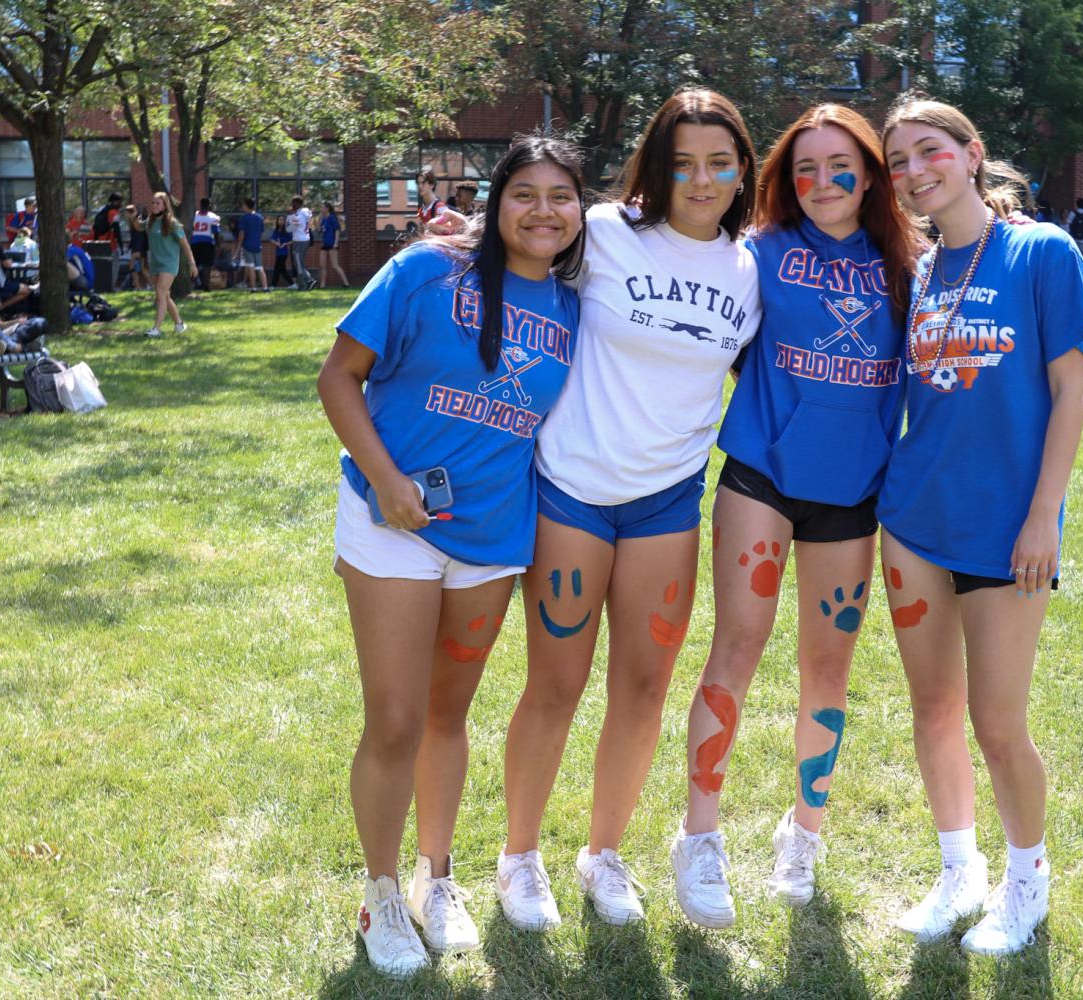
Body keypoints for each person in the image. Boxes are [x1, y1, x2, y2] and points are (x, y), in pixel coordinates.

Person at [315, 135, 586, 979]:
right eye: (525, 194)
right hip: (392, 522)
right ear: (497, 200)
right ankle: (381, 892)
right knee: (394, 720)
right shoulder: (425, 272)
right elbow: (338, 377)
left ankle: (438, 878)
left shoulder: (580, 306)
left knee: (445, 714)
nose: (543, 211)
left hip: (494, 538)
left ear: (581, 212)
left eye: (561, 197)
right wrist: (385, 478)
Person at [497, 89, 761, 932]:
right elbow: (513, 248)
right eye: (682, 161)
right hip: (572, 492)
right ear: (657, 165)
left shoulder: (749, 269)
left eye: (719, 162)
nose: (701, 178)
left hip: (666, 504)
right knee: (556, 684)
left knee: (642, 688)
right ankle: (520, 857)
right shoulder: (604, 232)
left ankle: (602, 854)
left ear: (742, 169)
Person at [672, 103, 923, 928]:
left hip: (851, 499)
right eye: (804, 168)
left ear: (872, 174)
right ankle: (698, 839)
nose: (821, 182)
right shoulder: (757, 253)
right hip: (760, 482)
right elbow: (654, 248)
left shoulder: (905, 265)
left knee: (828, 671)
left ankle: (802, 834)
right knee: (735, 647)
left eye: (839, 165)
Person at [881, 95, 1083, 957]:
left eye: (927, 150)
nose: (912, 172)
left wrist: (1043, 516)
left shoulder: (1041, 251)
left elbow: (1069, 391)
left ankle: (1026, 880)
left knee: (997, 724)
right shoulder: (919, 271)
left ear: (970, 154)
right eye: (897, 162)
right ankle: (956, 870)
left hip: (1007, 530)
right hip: (911, 521)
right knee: (932, 709)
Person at [145, 191, 195, 337]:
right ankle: (179, 324)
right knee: (165, 296)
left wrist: (192, 263)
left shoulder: (173, 223)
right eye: (153, 203)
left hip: (169, 264)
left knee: (160, 293)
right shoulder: (150, 221)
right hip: (155, 264)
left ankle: (156, 329)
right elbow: (138, 226)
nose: (154, 205)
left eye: (158, 203)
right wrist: (132, 217)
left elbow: (185, 244)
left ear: (165, 205)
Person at [234, 197, 269, 292]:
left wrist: (237, 249)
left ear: (246, 206)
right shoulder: (260, 217)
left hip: (247, 246)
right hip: (257, 245)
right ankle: (265, 288)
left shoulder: (244, 218)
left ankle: (253, 288)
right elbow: (261, 232)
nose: (242, 207)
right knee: (260, 267)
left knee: (251, 267)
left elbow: (241, 234)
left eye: (243, 205)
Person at [189, 197, 221, 291]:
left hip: (194, 241)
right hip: (207, 242)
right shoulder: (213, 217)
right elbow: (215, 232)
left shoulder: (194, 215)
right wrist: (218, 245)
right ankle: (205, 286)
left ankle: (191, 284)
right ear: (209, 205)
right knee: (207, 265)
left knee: (194, 264)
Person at [316, 202, 349, 288]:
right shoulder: (323, 218)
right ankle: (322, 285)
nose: (321, 210)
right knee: (322, 265)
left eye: (323, 208)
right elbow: (319, 230)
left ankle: (346, 283)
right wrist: (319, 220)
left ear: (327, 209)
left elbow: (337, 230)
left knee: (335, 265)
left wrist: (336, 243)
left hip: (332, 244)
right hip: (325, 244)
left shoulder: (332, 218)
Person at [287, 196, 315, 290]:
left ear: (297, 204)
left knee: (298, 264)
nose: (292, 205)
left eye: (293, 203)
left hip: (299, 241)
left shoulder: (298, 216)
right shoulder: (305, 212)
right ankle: (302, 285)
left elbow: (289, 229)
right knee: (299, 263)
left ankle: (309, 280)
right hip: (305, 239)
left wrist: (289, 217)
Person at [1066, 198, 1083, 272]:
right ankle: (1081, 270)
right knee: (1082, 255)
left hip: (1073, 238)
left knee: (1073, 254)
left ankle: (1072, 269)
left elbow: (1068, 224)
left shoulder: (1073, 213)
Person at [271, 214, 295, 288]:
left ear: (284, 221)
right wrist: (277, 243)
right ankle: (292, 284)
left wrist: (285, 244)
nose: (281, 221)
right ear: (277, 221)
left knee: (278, 269)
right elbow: (272, 239)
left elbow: (293, 240)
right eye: (279, 220)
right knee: (281, 269)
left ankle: (273, 285)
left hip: (284, 252)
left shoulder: (287, 230)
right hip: (278, 252)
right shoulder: (276, 230)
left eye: (282, 220)